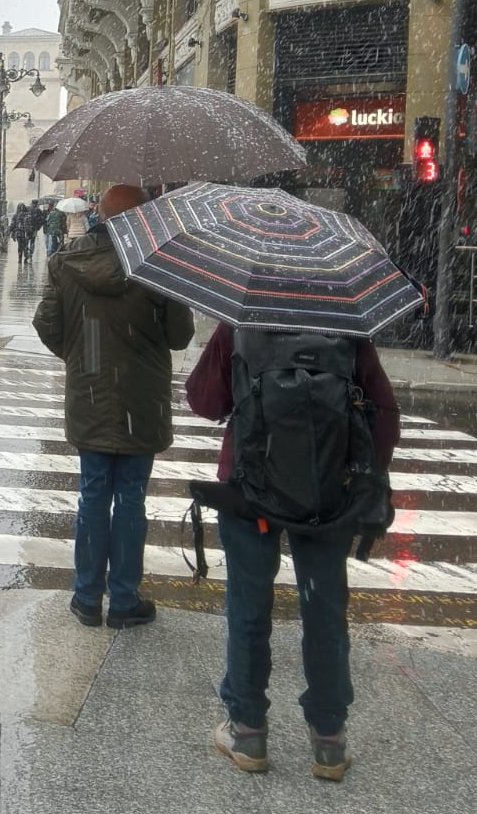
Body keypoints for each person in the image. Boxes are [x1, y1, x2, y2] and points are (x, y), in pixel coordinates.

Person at [185, 323, 400, 782]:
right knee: (324, 609)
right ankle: (328, 740)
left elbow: (203, 401)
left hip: (251, 488)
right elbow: (385, 412)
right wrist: (358, 472)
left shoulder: (241, 321)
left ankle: (247, 730)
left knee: (248, 605)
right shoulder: (346, 328)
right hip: (328, 496)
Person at [33, 184, 193, 629]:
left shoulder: (68, 260)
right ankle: (123, 599)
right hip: (141, 402)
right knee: (130, 501)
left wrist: (81, 358)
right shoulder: (159, 265)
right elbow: (180, 336)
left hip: (89, 395)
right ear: (142, 218)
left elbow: (47, 323)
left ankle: (86, 597)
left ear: (100, 214)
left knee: (93, 494)